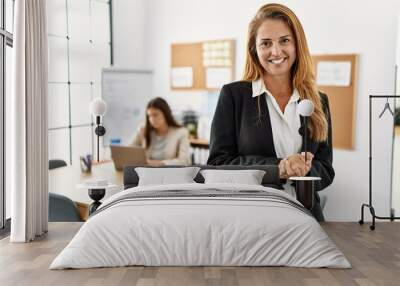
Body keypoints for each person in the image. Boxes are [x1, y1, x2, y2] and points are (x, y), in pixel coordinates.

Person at [207, 3, 334, 221]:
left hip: (306, 219)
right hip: (250, 217)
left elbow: (326, 170)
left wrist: (303, 171)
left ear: (297, 45)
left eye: (284, 40)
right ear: (254, 49)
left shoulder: (318, 100)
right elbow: (218, 164)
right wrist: (280, 168)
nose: (276, 51)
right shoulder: (234, 95)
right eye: (266, 43)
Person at [131, 97, 191, 166]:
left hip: (169, 173)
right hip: (146, 172)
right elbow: (128, 152)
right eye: (149, 116)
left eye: (155, 115)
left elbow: (185, 161)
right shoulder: (143, 130)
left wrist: (160, 163)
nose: (152, 119)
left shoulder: (181, 132)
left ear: (165, 114)